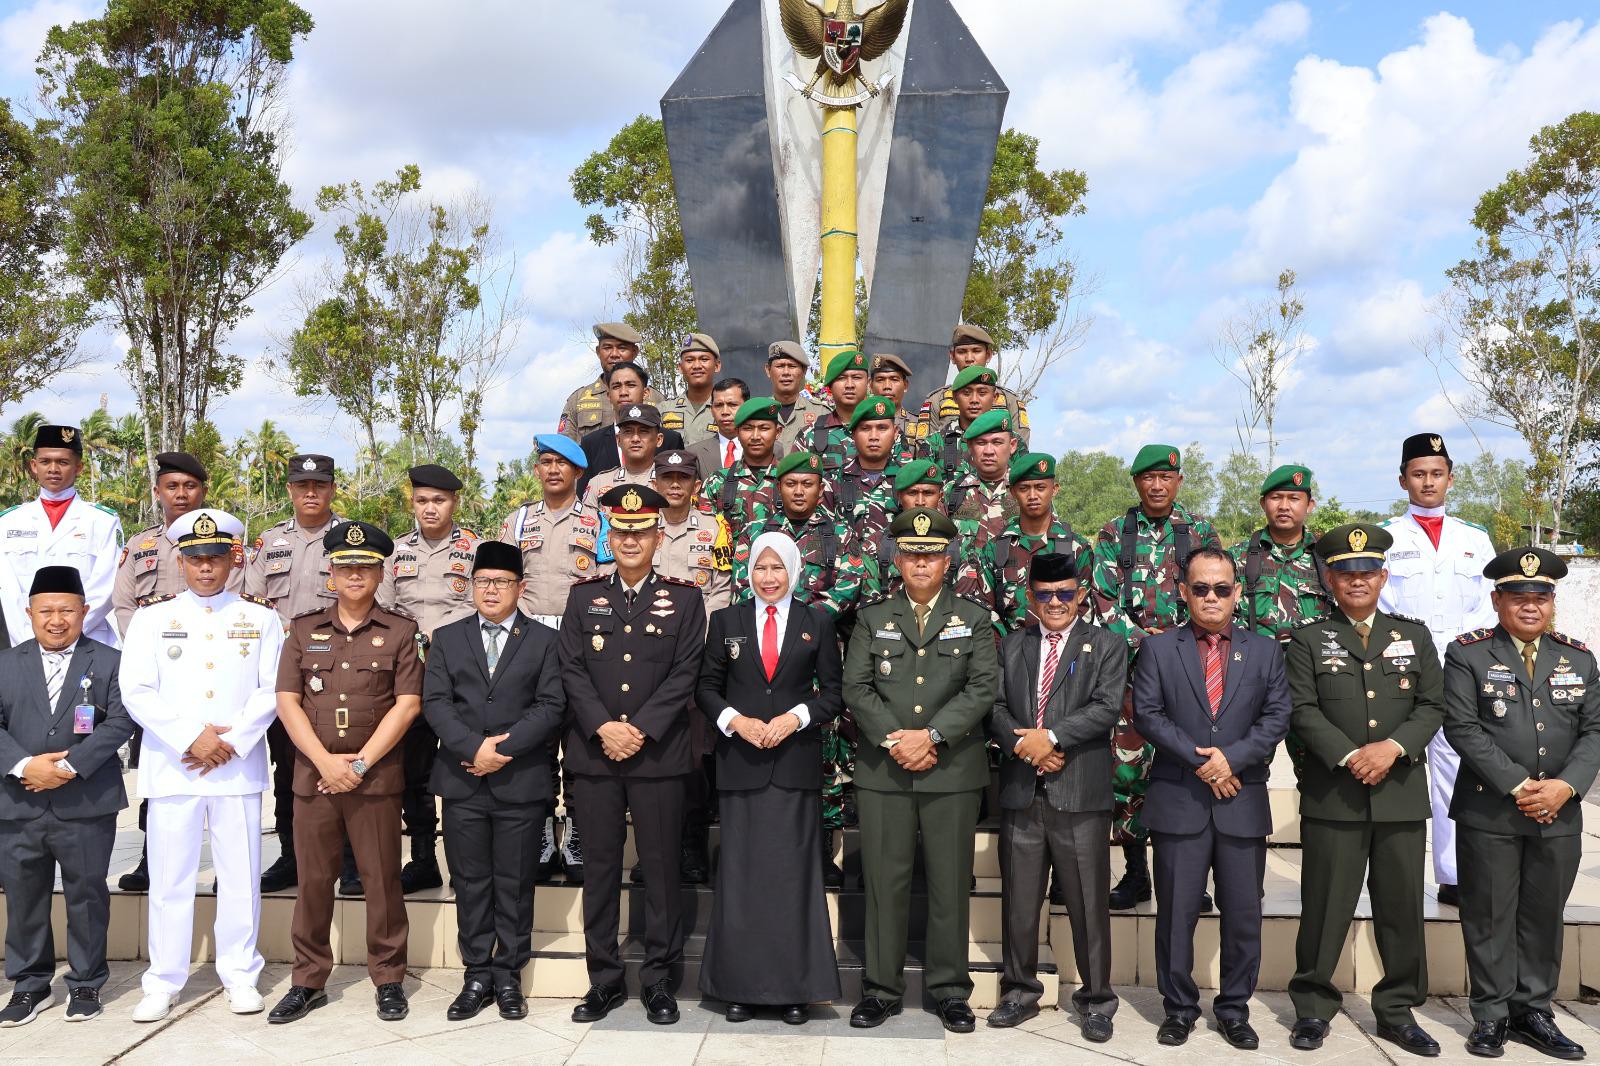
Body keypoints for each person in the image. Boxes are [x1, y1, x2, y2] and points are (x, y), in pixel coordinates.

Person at [1283, 523, 1443, 1055]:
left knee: (1400, 909)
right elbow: (1301, 709)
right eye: (1346, 572)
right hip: (1336, 793)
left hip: (1399, 792)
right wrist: (1353, 755)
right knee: (1324, 907)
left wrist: (1391, 749)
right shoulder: (1307, 639)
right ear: (1329, 578)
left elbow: (1432, 707)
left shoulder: (1413, 636)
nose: (1357, 581)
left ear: (1383, 575)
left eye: (1367, 571)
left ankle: (1397, 1010)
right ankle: (1312, 1008)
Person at [121, 510, 283, 1022]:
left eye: (215, 558)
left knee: (240, 876)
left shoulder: (260, 618)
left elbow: (272, 689)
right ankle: (164, 980)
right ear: (180, 560)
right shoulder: (152, 618)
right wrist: (193, 737)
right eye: (195, 558)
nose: (206, 568)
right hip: (175, 765)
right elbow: (136, 690)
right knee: (170, 877)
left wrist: (229, 741)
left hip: (235, 767)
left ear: (233, 559)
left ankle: (240, 974)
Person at [842, 508, 999, 1034]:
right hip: (885, 769)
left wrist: (930, 737)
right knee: (885, 881)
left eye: (931, 555)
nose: (921, 564)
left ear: (947, 560)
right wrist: (897, 739)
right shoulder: (872, 617)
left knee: (950, 883)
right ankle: (881, 989)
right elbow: (856, 688)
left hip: (950, 768)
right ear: (898, 559)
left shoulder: (974, 618)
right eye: (911, 554)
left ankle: (950, 990)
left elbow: (982, 688)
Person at [559, 486, 706, 1026]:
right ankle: (603, 980)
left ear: (657, 536)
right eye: (620, 531)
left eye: (640, 531)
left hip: (658, 755)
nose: (629, 540)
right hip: (596, 755)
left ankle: (660, 979)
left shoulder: (685, 600)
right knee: (599, 869)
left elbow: (685, 673)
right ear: (608, 537)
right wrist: (603, 726)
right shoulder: (583, 597)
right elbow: (571, 668)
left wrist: (638, 729)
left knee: (662, 869)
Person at [1131, 547, 1289, 1050]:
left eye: (1222, 588)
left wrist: (1231, 759)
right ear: (1184, 592)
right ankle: (1178, 1008)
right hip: (1180, 801)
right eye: (1201, 588)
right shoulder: (1158, 648)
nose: (1212, 597)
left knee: (1243, 913)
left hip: (1241, 799)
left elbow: (1276, 717)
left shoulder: (1265, 651)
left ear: (1237, 593)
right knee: (1176, 913)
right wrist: (1204, 762)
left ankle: (1234, 1009)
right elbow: (1149, 715)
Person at [1444, 547, 1598, 1060]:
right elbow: (1462, 727)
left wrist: (1565, 786)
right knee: (1488, 915)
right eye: (1518, 596)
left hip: (1560, 812)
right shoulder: (1467, 654)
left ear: (1552, 602)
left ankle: (1533, 1011)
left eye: (1541, 596)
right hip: (1490, 809)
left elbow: (1594, 731)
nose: (1530, 605)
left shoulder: (1578, 658)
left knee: (1543, 915)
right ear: (1497, 600)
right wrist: (1520, 786)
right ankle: (1490, 1015)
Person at [268, 521, 423, 1025]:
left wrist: (356, 764)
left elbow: (406, 706)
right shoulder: (302, 628)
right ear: (331, 572)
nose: (355, 574)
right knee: (313, 881)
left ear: (380, 573)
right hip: (314, 778)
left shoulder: (400, 631)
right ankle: (308, 979)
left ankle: (389, 978)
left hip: (374, 778)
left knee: (381, 881)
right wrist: (325, 763)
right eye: (345, 566)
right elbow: (288, 703)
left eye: (365, 566)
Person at [696, 531, 843, 1023]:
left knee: (792, 882)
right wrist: (735, 721)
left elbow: (834, 694)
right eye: (760, 567)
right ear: (749, 573)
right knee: (741, 880)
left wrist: (796, 717)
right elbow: (706, 688)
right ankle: (739, 988)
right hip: (741, 766)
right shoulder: (726, 621)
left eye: (777, 568)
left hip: (794, 768)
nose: (768, 577)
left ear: (794, 571)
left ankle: (795, 990)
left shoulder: (815, 622)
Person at [423, 540, 564, 1022]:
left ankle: (508, 975)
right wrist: (473, 749)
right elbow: (435, 703)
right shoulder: (447, 637)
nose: (491, 590)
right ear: (471, 587)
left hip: (519, 782)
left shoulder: (544, 641)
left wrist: (500, 750)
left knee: (515, 881)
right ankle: (476, 973)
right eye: (483, 581)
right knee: (470, 881)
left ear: (520, 587)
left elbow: (551, 706)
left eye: (502, 582)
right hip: (463, 781)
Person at [986, 553, 1122, 1038]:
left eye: (1066, 593)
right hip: (1024, 791)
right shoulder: (1011, 646)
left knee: (1089, 904)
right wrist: (1026, 745)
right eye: (1046, 595)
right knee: (1020, 903)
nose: (1057, 603)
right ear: (1031, 599)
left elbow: (1107, 706)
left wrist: (1053, 738)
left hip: (1080, 794)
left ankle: (1097, 1000)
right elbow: (995, 706)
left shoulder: (1105, 644)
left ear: (1081, 594)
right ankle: (1018, 992)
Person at [1092, 444, 1222, 911]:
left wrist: (1178, 648)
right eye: (1147, 478)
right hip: (1133, 673)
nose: (1157, 485)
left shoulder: (1200, 532)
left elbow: (1215, 597)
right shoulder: (1114, 534)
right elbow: (1103, 605)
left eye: (1165, 478)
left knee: (1193, 769)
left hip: (1192, 670)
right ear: (1136, 483)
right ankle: (1135, 875)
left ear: (1179, 481)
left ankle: (1194, 879)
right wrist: (1151, 645)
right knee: (1127, 773)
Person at [0, 567, 130, 1026]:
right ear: (30, 613)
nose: (57, 620)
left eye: (67, 610)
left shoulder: (111, 660)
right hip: (18, 802)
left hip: (86, 800)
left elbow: (119, 721)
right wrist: (24, 766)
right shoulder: (5, 663)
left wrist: (69, 766)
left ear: (84, 611)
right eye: (46, 611)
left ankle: (87, 982)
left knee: (87, 895)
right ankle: (29, 986)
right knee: (24, 895)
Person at [111, 450, 242, 892]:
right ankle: (153, 860)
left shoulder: (229, 543)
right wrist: (148, 654)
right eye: (172, 486)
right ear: (158, 492)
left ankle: (231, 868)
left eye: (190, 486)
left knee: (227, 785)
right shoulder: (139, 546)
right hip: (157, 678)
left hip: (219, 675)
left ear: (203, 491)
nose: (181, 494)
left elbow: (238, 602)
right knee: (161, 773)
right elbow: (124, 604)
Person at [1378, 432, 1496, 909]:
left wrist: (1463, 654)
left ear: (1451, 477)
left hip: (1461, 671)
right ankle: (1392, 876)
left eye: (1437, 473)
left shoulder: (1475, 538)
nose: (1428, 482)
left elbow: (1491, 605)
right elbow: (1379, 600)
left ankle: (1452, 875)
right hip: (1401, 670)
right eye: (1419, 474)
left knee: (1455, 771)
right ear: (1403, 479)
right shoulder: (1386, 536)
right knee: (1397, 769)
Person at [245, 454, 351, 893]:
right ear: (289, 489)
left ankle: (349, 858)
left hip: (341, 674)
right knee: (287, 769)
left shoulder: (349, 538)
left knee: (343, 763)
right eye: (302, 485)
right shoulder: (268, 543)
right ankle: (291, 855)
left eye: (320, 485)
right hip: (281, 675)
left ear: (331, 489)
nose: (311, 492)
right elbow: (250, 604)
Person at [499, 433, 601, 883]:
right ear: (537, 471)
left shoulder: (599, 522)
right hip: (531, 638)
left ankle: (576, 833)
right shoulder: (518, 522)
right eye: (545, 462)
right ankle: (542, 831)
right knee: (534, 740)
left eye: (563, 463)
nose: (553, 469)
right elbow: (500, 583)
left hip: (583, 639)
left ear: (579, 473)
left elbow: (607, 578)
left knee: (580, 740)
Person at [389, 464, 480, 894]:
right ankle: (423, 859)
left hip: (464, 674)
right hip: (411, 674)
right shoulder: (393, 552)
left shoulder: (477, 550)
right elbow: (386, 613)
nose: (430, 508)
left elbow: (488, 608)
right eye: (422, 500)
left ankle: (470, 859)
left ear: (454, 503)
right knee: (414, 770)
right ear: (413, 503)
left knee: (465, 764)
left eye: (439, 500)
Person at [652, 449, 733, 884]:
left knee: (697, 759)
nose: (675, 484)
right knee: (651, 757)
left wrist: (696, 646)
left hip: (697, 658)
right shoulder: (641, 526)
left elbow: (722, 591)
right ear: (657, 482)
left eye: (683, 477)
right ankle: (654, 849)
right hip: (647, 661)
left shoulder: (714, 530)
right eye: (667, 477)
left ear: (696, 484)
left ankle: (691, 844)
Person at [1230, 464, 1335, 782]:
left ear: (1310, 505)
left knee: (1320, 778)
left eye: (1294, 498)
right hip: (1253, 684)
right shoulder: (1239, 558)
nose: (1285, 505)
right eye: (1276, 497)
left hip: (1313, 686)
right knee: (1245, 774)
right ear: (1263, 504)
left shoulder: (1329, 559)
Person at [0, 424, 122, 648]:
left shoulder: (103, 521)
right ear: (34, 466)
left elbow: (107, 587)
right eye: (45, 461)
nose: (53, 468)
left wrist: (66, 633)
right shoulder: (8, 522)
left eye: (63, 462)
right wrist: (34, 636)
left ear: (79, 468)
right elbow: (7, 590)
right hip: (23, 640)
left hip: (89, 641)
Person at [732, 451, 867, 622]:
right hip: (764, 629)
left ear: (820, 490)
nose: (798, 491)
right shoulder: (754, 533)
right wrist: (775, 616)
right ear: (779, 488)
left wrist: (798, 620)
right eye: (791, 484)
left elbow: (845, 592)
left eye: (807, 484)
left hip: (817, 634)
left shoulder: (841, 535)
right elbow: (741, 586)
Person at [979, 452, 1095, 634]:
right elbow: (986, 610)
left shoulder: (1076, 548)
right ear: (1013, 493)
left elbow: (1084, 609)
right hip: (1010, 652)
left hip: (1063, 651)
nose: (1033, 495)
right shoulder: (996, 549)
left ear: (1054, 489)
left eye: (1040, 487)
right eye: (1024, 488)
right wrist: (1008, 651)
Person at [914, 324, 1030, 448]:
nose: (969, 358)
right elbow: (925, 449)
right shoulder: (936, 400)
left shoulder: (1010, 400)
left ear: (989, 355)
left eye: (976, 351)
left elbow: (1019, 449)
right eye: (962, 352)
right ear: (952, 357)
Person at [578, 372, 686, 498]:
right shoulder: (598, 482)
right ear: (618, 438)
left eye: (644, 431)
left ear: (659, 439)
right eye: (628, 431)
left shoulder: (674, 483)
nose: (635, 438)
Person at [559, 322, 664, 441]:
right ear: (598, 351)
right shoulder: (578, 400)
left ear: (635, 352)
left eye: (622, 348)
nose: (614, 354)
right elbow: (565, 448)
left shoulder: (657, 399)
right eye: (607, 348)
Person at [701, 397, 784, 544]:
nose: (755, 436)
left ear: (777, 432)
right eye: (747, 428)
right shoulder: (717, 482)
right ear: (737, 432)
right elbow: (704, 535)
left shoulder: (791, 480)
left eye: (764, 428)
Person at [945, 408, 1020, 553]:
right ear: (970, 447)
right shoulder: (952, 493)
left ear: (1012, 446)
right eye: (981, 443)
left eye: (997, 442)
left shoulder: (1027, 492)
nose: (989, 451)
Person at [796, 349, 871, 470]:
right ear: (830, 386)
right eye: (841, 378)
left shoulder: (886, 432)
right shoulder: (809, 435)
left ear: (868, 383)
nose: (850, 385)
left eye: (857, 377)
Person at [765, 341, 831, 449]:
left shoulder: (821, 413)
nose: (786, 372)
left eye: (792, 366)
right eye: (780, 366)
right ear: (768, 370)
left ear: (804, 371)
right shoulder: (757, 412)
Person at [660, 333, 723, 444]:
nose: (697, 366)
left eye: (704, 359)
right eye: (689, 360)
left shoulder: (728, 409)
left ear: (717, 366)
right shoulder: (663, 410)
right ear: (680, 368)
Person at [687, 377, 758, 476]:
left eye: (732, 404)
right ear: (712, 410)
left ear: (747, 407)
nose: (725, 412)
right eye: (719, 405)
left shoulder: (772, 449)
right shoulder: (694, 454)